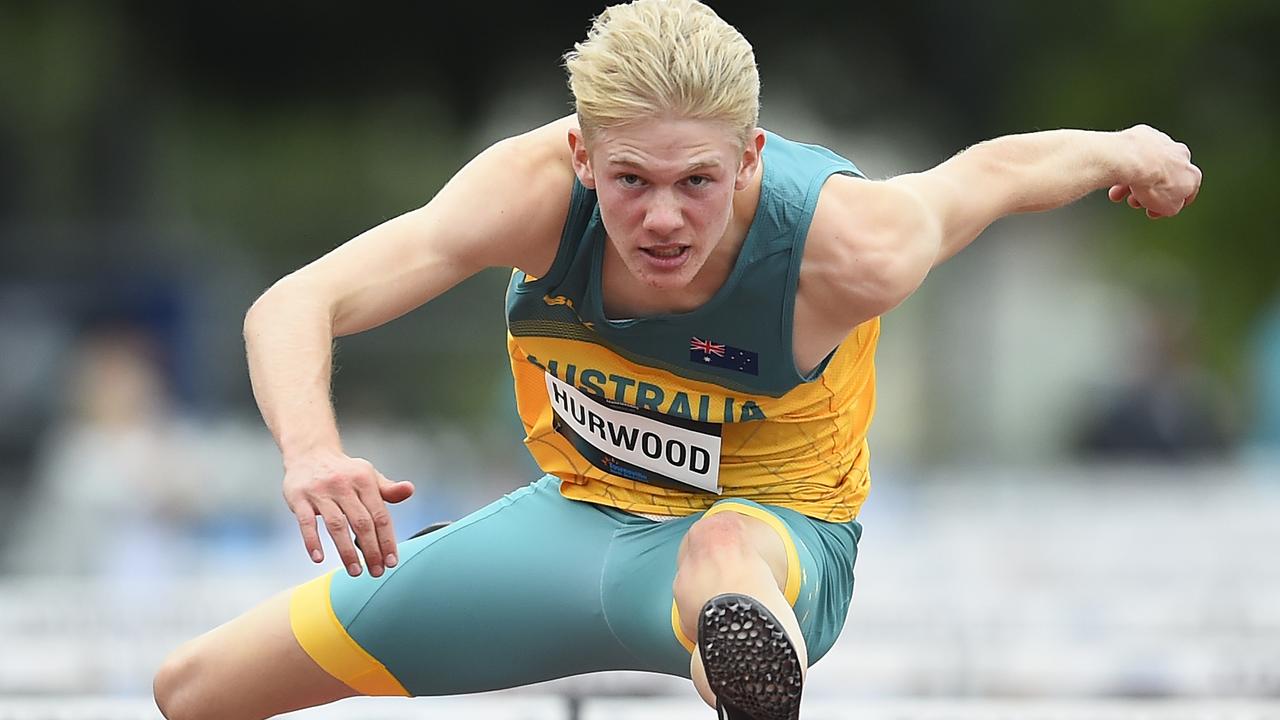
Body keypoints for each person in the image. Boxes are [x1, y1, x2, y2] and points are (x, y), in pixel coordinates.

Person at [151, 1, 1202, 718]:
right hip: (568, 526)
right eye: (628, 182)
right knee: (194, 688)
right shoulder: (526, 193)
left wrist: (1126, 150)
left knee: (720, 572)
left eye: (697, 182)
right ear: (580, 158)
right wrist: (309, 451)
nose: (659, 219)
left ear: (750, 157)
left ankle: (742, 674)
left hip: (772, 543)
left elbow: (997, 169)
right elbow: (297, 301)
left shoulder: (848, 243)